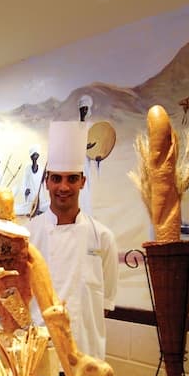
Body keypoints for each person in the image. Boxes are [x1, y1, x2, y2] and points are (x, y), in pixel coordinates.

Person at [27, 121, 117, 359]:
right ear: (47, 182)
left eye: (72, 179)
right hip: (40, 354)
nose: (63, 187)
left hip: (86, 355)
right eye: (56, 178)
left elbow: (105, 306)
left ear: (82, 182)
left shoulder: (103, 238)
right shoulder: (28, 236)